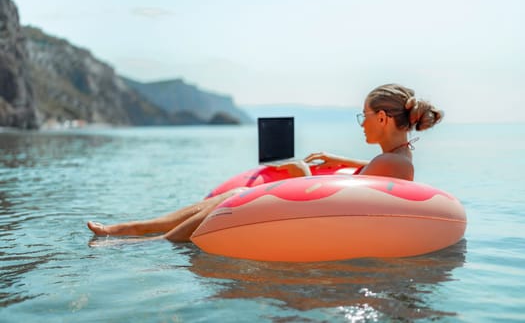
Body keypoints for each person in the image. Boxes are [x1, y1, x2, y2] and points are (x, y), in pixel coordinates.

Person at [87, 83, 443, 244]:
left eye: (362, 115)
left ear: (382, 118)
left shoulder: (394, 165)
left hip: (317, 226)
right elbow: (376, 171)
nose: (361, 122)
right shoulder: (395, 158)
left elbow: (347, 194)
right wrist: (341, 160)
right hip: (323, 218)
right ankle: (135, 229)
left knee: (237, 197)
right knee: (239, 193)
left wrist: (302, 174)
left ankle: (152, 241)